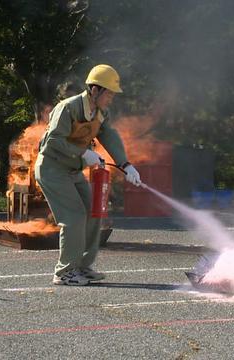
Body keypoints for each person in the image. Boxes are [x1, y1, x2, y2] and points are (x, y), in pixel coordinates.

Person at [35, 64, 142, 286]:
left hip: (73, 170)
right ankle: (64, 272)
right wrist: (84, 153)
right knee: (73, 217)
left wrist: (125, 164)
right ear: (95, 89)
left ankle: (82, 267)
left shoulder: (101, 113)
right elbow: (52, 142)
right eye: (109, 93)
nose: (112, 98)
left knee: (95, 213)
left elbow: (109, 136)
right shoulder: (68, 108)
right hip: (52, 168)